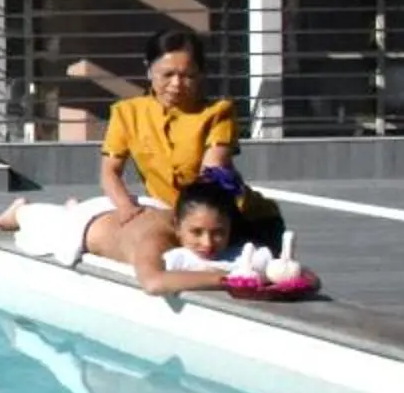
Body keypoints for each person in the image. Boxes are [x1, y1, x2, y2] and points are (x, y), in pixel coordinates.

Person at [101, 27, 289, 252]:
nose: (177, 84)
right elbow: (110, 171)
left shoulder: (219, 112)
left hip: (237, 220)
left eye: (188, 76)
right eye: (167, 74)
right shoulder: (126, 113)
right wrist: (126, 208)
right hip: (182, 222)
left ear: (201, 74)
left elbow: (211, 173)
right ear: (149, 70)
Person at [0, 188, 251, 297]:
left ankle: (72, 206)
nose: (207, 243)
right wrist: (226, 280)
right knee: (27, 218)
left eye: (218, 233)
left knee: (71, 211)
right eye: (196, 233)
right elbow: (153, 283)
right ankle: (20, 209)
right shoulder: (156, 239)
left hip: (137, 209)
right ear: (177, 224)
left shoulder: (194, 221)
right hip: (82, 226)